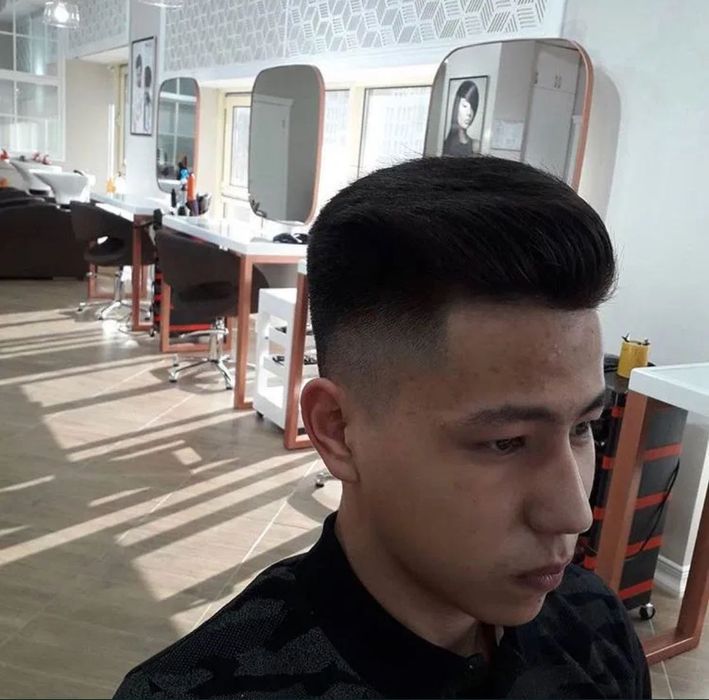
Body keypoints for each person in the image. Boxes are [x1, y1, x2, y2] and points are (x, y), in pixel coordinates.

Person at [114, 156, 650, 699]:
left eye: (583, 427)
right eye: (505, 442)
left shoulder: (596, 624)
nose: (574, 513)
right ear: (338, 430)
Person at [443, 80, 481, 157]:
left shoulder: (476, 146)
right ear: (456, 107)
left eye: (472, 108)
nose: (469, 113)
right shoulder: (443, 144)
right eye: (465, 106)